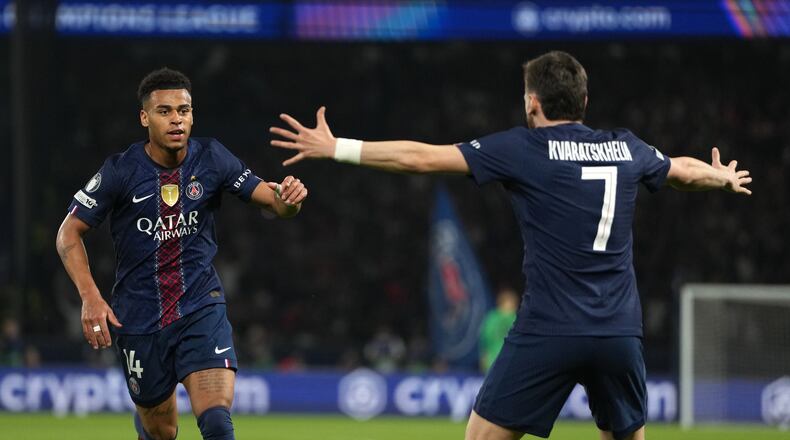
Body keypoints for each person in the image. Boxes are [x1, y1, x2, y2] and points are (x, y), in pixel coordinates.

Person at [269, 51, 752, 440]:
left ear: (532, 103)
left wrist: (337, 147)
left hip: (551, 328)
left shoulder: (523, 148)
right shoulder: (626, 146)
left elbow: (421, 158)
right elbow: (682, 171)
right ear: (584, 100)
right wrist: (721, 177)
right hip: (619, 332)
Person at [56, 68, 308, 440]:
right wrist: (90, 296)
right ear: (145, 118)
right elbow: (68, 233)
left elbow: (274, 203)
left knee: (217, 422)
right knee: (162, 432)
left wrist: (289, 200)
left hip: (200, 306)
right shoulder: (120, 171)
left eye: (184, 110)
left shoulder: (212, 157)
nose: (176, 119)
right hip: (139, 319)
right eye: (164, 111)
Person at [479, 287, 519, 373]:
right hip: (507, 363)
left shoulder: (491, 318)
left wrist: (483, 356)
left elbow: (484, 339)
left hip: (492, 363)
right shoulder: (516, 319)